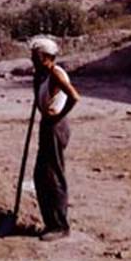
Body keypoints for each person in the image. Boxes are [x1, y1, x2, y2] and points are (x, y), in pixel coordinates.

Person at [30, 36, 81, 242]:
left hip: (55, 127)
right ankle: (50, 221)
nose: (33, 60)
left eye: (37, 56)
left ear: (48, 57)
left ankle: (60, 226)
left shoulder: (56, 75)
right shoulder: (42, 74)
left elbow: (75, 97)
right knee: (41, 176)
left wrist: (57, 116)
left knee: (53, 176)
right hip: (47, 125)